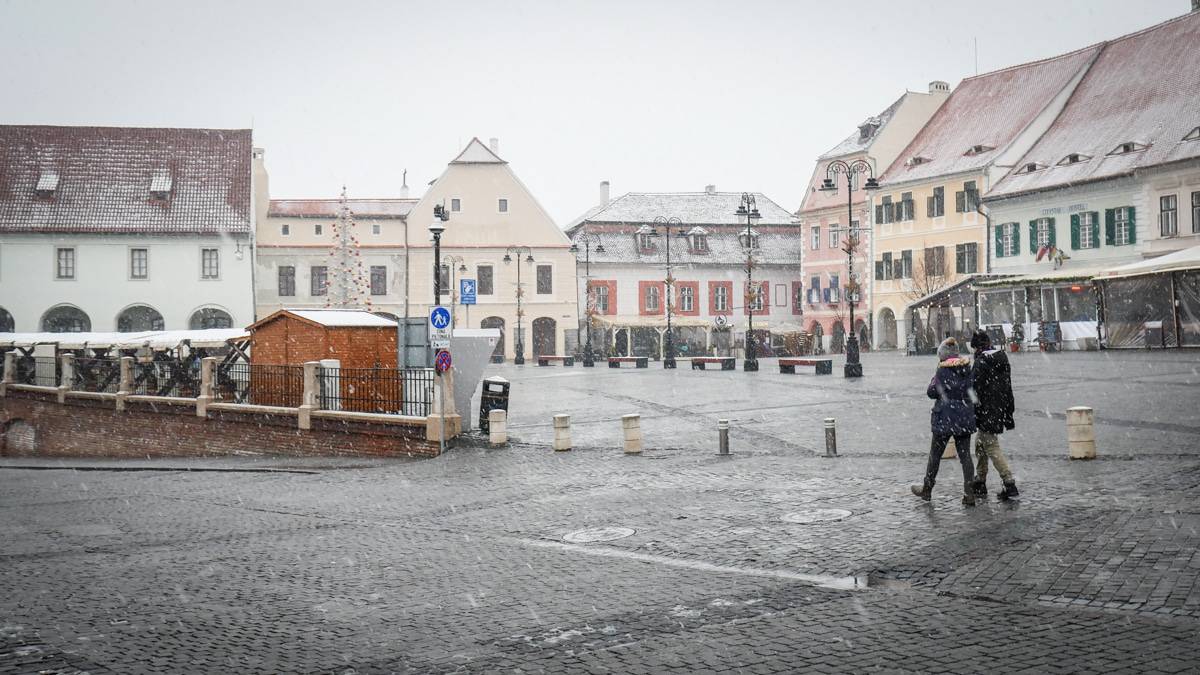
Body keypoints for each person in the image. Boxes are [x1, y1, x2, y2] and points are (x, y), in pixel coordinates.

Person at [911, 337, 978, 506]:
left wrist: (935, 380)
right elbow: (972, 393)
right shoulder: (966, 368)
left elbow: (932, 392)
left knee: (935, 455)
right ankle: (969, 493)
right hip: (963, 416)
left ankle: (927, 489)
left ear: (943, 355)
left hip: (945, 418)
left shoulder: (942, 370)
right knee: (965, 457)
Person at [969, 330, 1019, 500]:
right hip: (999, 407)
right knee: (980, 443)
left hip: (986, 410)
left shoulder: (981, 362)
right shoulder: (1002, 358)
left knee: (990, 445)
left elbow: (973, 390)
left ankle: (1009, 482)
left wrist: (971, 407)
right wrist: (1008, 411)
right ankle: (980, 480)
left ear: (977, 347)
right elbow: (1008, 387)